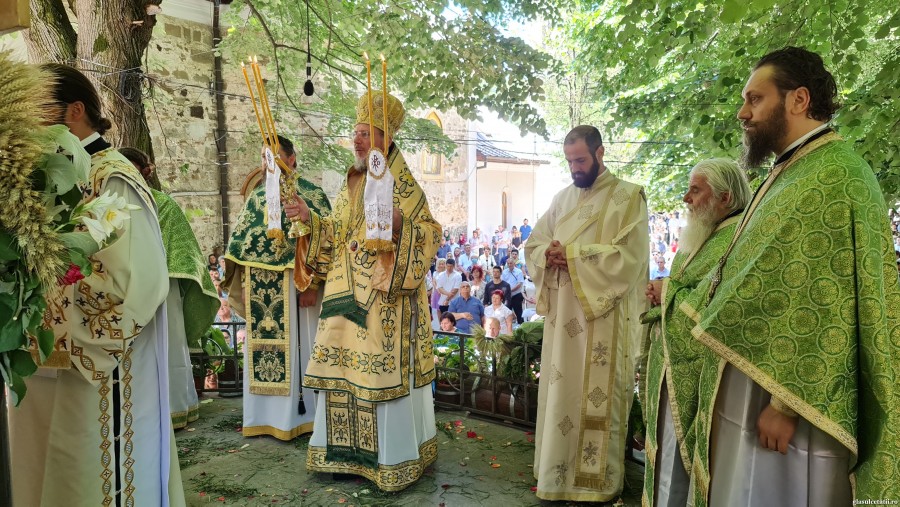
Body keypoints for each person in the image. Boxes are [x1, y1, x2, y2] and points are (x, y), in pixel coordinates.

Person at [678, 47, 900, 505]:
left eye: (755, 99)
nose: (743, 113)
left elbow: (833, 300)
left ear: (798, 100)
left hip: (792, 407)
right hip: (749, 383)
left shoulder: (837, 176)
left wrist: (785, 405)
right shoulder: (790, 171)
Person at [9, 64, 185, 506]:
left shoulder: (111, 178)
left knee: (86, 475)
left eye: (34, 111)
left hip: (93, 360)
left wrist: (52, 310)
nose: (25, 125)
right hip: (35, 352)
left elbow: (131, 276)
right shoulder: (33, 177)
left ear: (73, 111)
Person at [287, 90, 441, 491]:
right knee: (341, 372)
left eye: (364, 133)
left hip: (382, 304)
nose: (355, 140)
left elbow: (429, 235)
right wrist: (310, 219)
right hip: (343, 300)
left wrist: (398, 224)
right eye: (354, 133)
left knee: (375, 379)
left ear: (385, 139)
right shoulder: (352, 180)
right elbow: (338, 233)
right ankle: (341, 456)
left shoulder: (403, 185)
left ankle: (389, 460)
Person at [525, 124, 649, 502]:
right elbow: (534, 242)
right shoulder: (562, 199)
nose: (574, 168)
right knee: (562, 396)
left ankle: (596, 484)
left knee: (595, 398)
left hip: (602, 322)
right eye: (569, 161)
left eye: (580, 159)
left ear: (599, 153)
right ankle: (556, 475)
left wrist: (574, 256)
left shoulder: (628, 197)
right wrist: (547, 254)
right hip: (563, 323)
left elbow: (630, 257)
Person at [639, 159, 750, 507]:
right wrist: (664, 291)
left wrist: (666, 291)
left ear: (725, 197)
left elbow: (717, 304)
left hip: (700, 373)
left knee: (682, 457)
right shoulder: (706, 233)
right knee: (665, 452)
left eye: (696, 190)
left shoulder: (736, 239)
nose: (686, 198)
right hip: (674, 364)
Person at [223, 135, 331, 441]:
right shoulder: (257, 198)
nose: (266, 164)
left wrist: (314, 282)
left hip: (300, 288)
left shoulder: (312, 195)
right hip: (262, 292)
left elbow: (327, 242)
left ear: (292, 159)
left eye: (273, 157)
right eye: (263, 158)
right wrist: (244, 284)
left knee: (305, 350)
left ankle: (307, 415)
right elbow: (240, 247)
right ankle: (265, 418)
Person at [121, 147, 220, 430]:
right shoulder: (110, 205)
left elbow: (185, 255)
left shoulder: (164, 205)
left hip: (164, 292)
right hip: (125, 291)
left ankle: (174, 410)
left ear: (144, 171)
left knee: (167, 351)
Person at [502, 255, 525, 324]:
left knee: (519, 313)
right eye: (508, 263)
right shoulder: (504, 272)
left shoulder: (519, 272)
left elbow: (520, 283)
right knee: (507, 313)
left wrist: (511, 290)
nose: (509, 265)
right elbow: (503, 283)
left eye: (511, 263)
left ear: (514, 263)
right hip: (507, 296)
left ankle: (521, 326)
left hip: (516, 295)